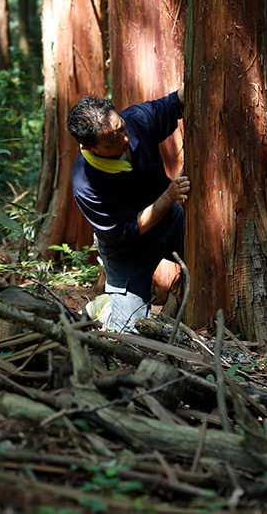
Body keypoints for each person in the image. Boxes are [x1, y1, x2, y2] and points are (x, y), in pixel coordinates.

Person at [66, 87, 189, 332]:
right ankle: (105, 309)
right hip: (126, 250)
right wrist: (169, 196)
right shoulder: (85, 183)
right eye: (111, 140)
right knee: (129, 332)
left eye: (121, 128)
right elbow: (129, 228)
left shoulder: (137, 119)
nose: (124, 139)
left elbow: (177, 101)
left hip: (169, 220)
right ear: (91, 148)